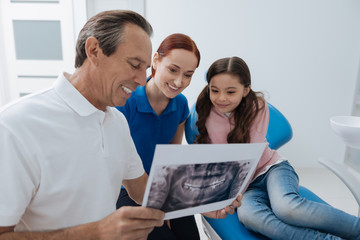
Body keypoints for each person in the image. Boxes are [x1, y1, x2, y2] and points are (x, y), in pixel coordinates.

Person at [0, 10, 241, 240]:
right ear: (94, 50)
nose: (140, 80)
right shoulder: (15, 126)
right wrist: (95, 233)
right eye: (134, 64)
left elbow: (142, 189)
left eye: (145, 69)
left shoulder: (116, 122)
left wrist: (203, 204)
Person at [195, 56, 360, 240]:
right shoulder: (205, 114)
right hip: (246, 187)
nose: (221, 98)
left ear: (246, 90)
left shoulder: (257, 107)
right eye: (214, 90)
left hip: (271, 169)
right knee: (250, 216)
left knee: (286, 207)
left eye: (230, 92)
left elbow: (251, 155)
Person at [116, 33, 201, 239]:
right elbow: (117, 164)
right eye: (173, 70)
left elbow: (172, 157)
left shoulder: (180, 104)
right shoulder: (126, 101)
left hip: (162, 186)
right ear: (155, 60)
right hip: (126, 188)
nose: (179, 81)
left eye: (188, 75)